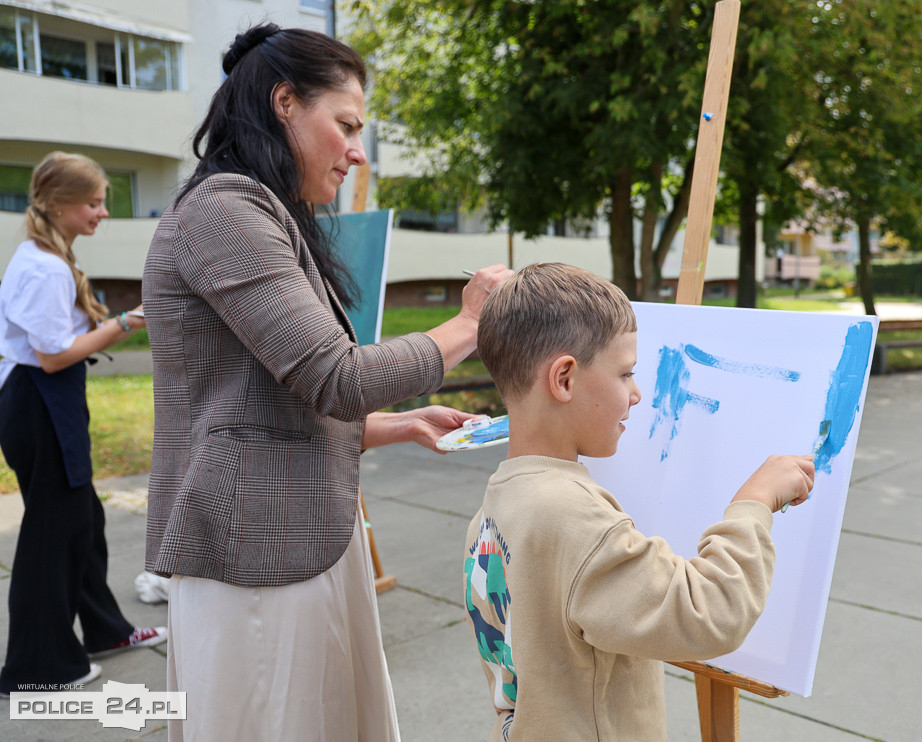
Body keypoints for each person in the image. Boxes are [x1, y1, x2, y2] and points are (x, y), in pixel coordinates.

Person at [142, 23, 511, 742]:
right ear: (284, 102)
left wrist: (399, 424)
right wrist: (470, 324)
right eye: (345, 125)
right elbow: (335, 377)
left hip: (294, 539)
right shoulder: (225, 211)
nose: (356, 151)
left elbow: (265, 402)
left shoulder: (264, 211)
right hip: (253, 552)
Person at [464, 263, 816, 741]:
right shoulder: (572, 519)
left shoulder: (492, 509)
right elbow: (712, 613)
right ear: (564, 379)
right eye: (626, 373)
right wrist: (753, 503)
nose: (637, 393)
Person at [0, 152, 167, 699]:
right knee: (53, 532)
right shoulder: (45, 267)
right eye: (94, 202)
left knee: (82, 519)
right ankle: (36, 667)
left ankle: (104, 632)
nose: (102, 213)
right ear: (60, 204)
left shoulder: (45, 255)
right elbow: (53, 356)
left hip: (45, 401)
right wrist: (126, 322)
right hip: (39, 400)